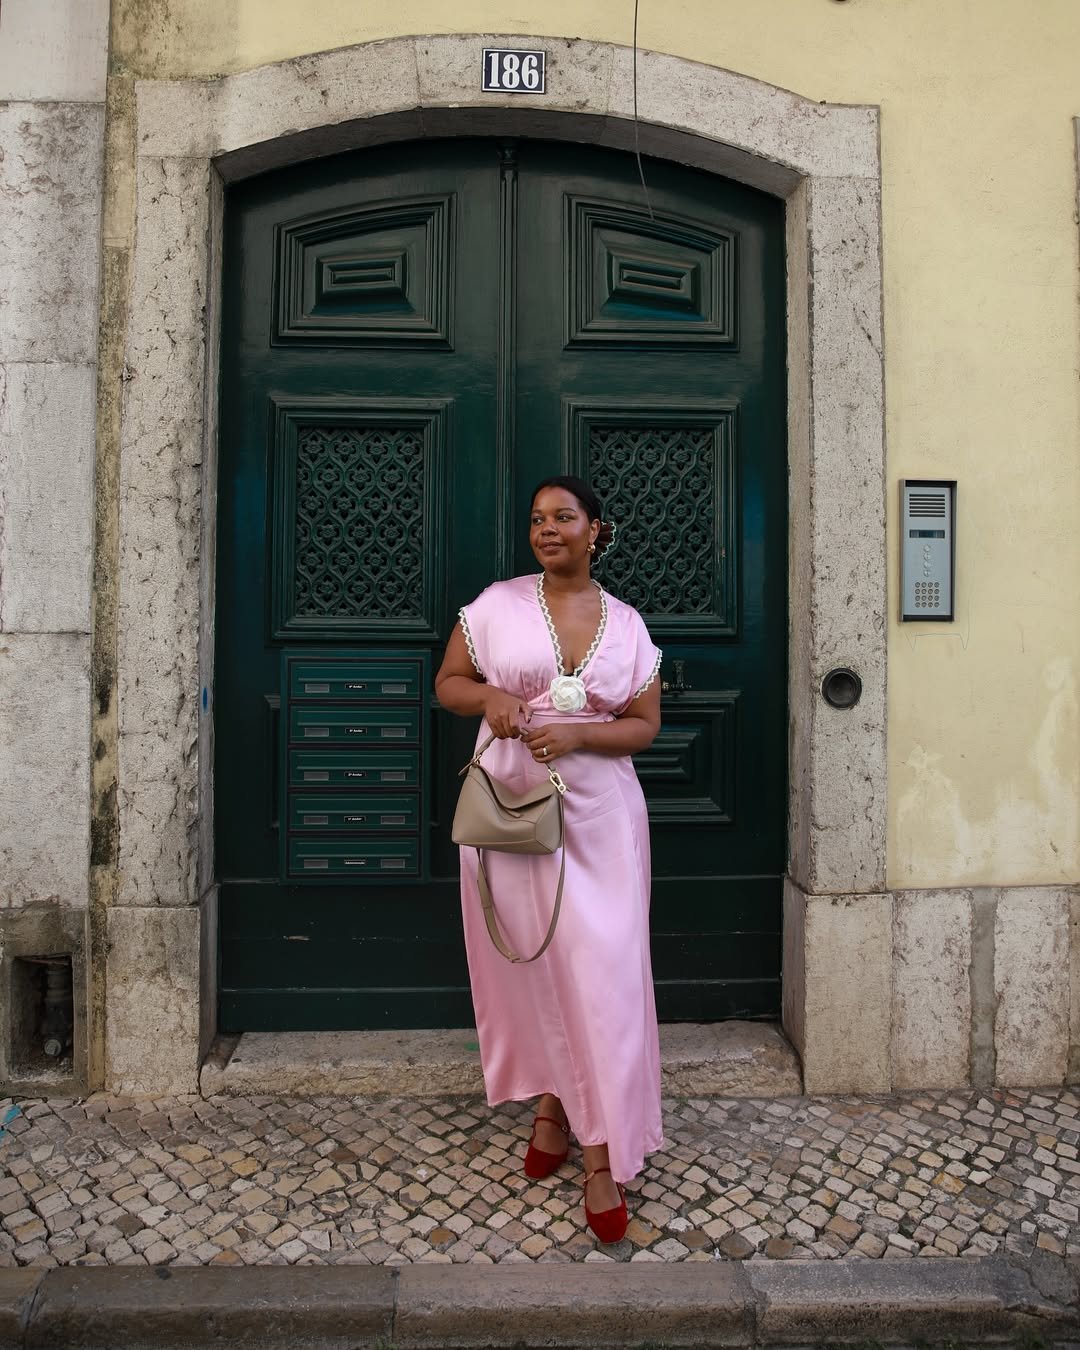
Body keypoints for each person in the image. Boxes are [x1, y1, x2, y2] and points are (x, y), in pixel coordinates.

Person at [434, 476, 664, 1243]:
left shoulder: (629, 626)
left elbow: (643, 727)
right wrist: (489, 698)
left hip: (602, 822)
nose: (547, 528)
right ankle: (552, 1102)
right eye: (536, 518)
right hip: (513, 816)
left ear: (597, 529)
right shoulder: (494, 605)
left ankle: (599, 1155)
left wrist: (578, 735)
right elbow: (449, 683)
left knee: (600, 978)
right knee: (535, 968)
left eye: (564, 517)